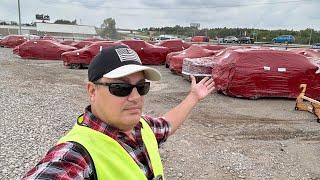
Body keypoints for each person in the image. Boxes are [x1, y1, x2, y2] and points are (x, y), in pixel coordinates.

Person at [22, 45, 215, 180]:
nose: (135, 97)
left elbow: (167, 125)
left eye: (141, 87)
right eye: (120, 88)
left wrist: (194, 97)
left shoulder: (142, 127)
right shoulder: (77, 154)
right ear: (92, 91)